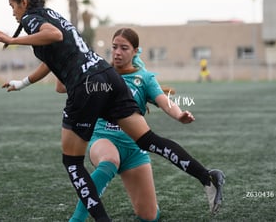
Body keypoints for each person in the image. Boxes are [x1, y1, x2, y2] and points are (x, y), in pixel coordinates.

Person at [0, 0, 225, 221]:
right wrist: (23, 82)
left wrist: (12, 39)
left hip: (86, 86)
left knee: (72, 162)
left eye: (13, 6)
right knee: (148, 139)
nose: (13, 12)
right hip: (106, 75)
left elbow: (53, 35)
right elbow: (55, 53)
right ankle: (207, 177)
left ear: (24, 3)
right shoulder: (52, 14)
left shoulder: (31, 19)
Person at [67, 28, 196, 221]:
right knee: (109, 160)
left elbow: (163, 100)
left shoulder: (144, 79)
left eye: (124, 48)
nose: (117, 52)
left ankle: (150, 208)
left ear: (135, 51)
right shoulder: (100, 73)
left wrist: (179, 115)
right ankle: (76, 219)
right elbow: (62, 87)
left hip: (135, 149)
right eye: (114, 47)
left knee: (149, 217)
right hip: (103, 139)